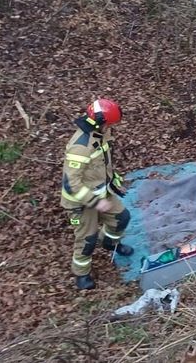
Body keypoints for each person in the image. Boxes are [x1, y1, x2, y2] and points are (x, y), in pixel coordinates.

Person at [60, 98, 133, 290]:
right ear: (99, 122)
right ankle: (81, 274)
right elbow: (71, 183)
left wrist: (114, 183)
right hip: (81, 204)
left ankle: (109, 242)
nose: (111, 127)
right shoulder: (80, 147)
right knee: (87, 239)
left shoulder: (101, 134)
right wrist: (94, 201)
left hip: (101, 195)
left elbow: (103, 165)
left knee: (121, 218)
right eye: (109, 123)